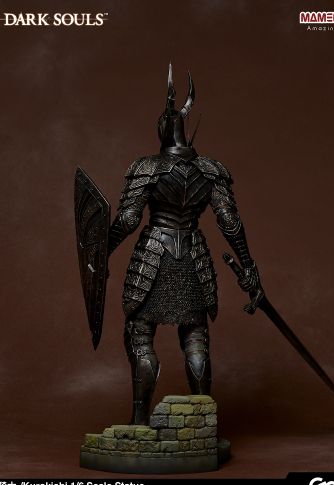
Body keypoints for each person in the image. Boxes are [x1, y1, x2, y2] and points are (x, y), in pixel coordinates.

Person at [107, 64, 263, 424]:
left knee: (140, 335)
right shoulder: (211, 170)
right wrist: (249, 267)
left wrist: (104, 250)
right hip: (193, 255)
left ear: (163, 129)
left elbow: (128, 220)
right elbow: (229, 223)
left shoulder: (147, 166)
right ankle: (202, 422)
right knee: (195, 338)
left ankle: (139, 423)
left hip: (153, 256)